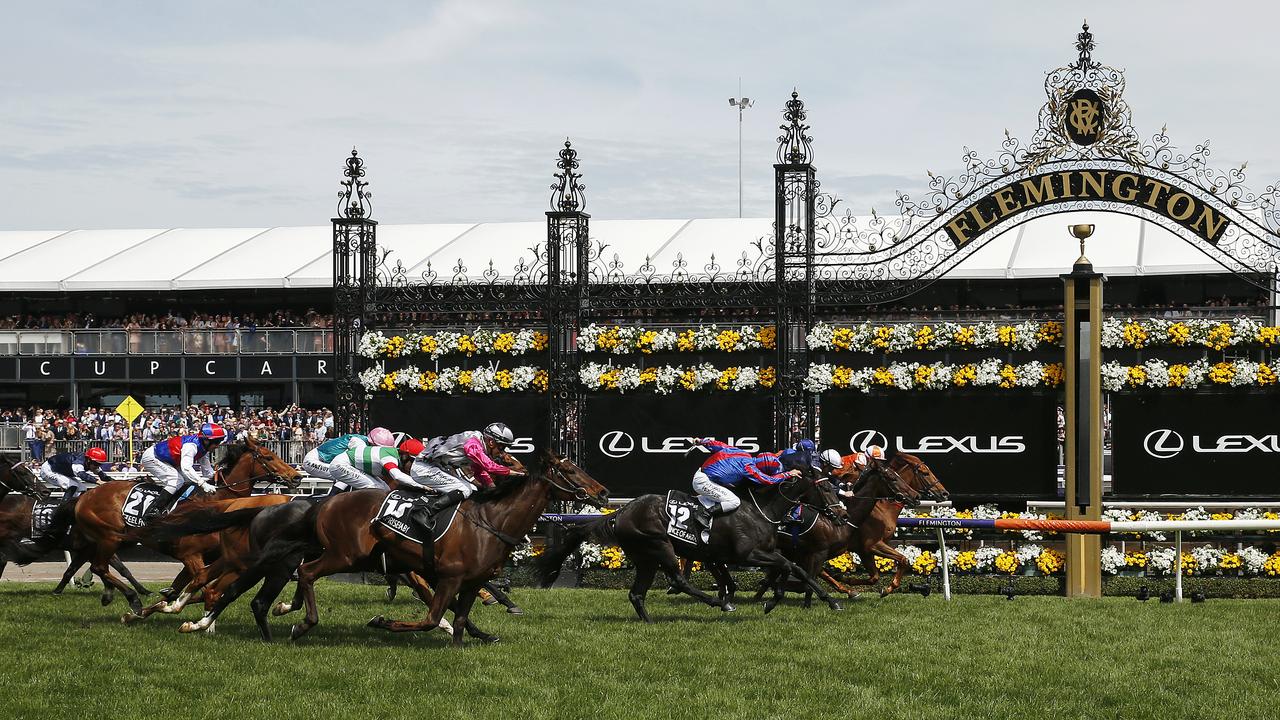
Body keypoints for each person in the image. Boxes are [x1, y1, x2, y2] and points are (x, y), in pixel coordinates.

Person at [410, 422, 521, 518]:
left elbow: (479, 471)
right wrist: (515, 473)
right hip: (423, 467)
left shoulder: (480, 445)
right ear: (491, 442)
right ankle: (425, 512)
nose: (502, 453)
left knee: (472, 488)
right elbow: (489, 467)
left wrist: (493, 489)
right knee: (464, 489)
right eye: (502, 447)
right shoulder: (473, 443)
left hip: (436, 467)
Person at [691, 438, 801, 515]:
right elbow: (768, 480)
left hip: (702, 475)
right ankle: (704, 515)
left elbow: (719, 445)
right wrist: (787, 474)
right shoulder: (750, 469)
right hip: (703, 482)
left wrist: (702, 441)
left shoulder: (743, 453)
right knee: (734, 502)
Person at [140, 422, 228, 518]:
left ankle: (172, 506)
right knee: (176, 480)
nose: (218, 445)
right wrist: (203, 484)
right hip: (153, 457)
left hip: (168, 461)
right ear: (207, 440)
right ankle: (154, 510)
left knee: (189, 480)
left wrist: (220, 477)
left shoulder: (204, 450)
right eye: (217, 442)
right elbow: (186, 468)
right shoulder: (191, 446)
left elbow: (208, 473)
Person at [327, 437, 423, 493]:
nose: (414, 466)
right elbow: (397, 476)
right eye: (414, 461)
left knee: (385, 488)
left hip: (349, 463)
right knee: (380, 489)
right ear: (405, 456)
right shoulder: (389, 458)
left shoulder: (395, 454)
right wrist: (422, 486)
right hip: (340, 465)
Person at [40, 447, 110, 500]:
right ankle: (63, 509)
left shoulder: (91, 464)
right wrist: (98, 482)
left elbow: (103, 476)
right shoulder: (78, 462)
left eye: (100, 464)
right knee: (72, 486)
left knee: (82, 489)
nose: (97, 466)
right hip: (49, 470)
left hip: (61, 471)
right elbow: (82, 475)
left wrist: (113, 482)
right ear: (88, 460)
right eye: (96, 463)